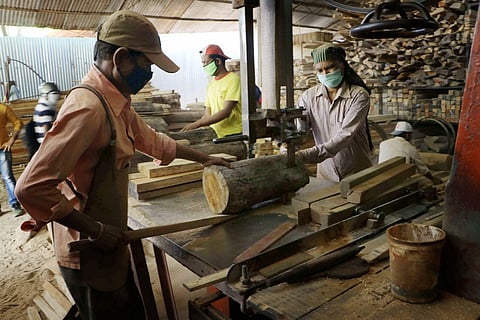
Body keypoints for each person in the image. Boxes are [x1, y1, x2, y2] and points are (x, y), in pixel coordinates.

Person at [15, 10, 231, 320]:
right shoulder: (89, 108)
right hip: (86, 248)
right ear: (120, 58)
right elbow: (31, 187)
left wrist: (204, 158)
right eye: (147, 64)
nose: (150, 74)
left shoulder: (114, 100)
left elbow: (153, 140)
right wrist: (96, 230)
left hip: (109, 239)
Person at [295, 43, 373, 182]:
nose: (325, 74)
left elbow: (345, 136)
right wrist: (287, 147)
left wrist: (306, 155)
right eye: (320, 70)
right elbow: (300, 131)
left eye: (331, 67)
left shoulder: (358, 95)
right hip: (326, 174)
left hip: (356, 171)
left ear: (342, 66)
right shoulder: (308, 97)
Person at [180, 44, 242, 138]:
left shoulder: (233, 80)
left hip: (233, 134)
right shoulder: (211, 84)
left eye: (206, 62)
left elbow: (226, 112)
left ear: (218, 61)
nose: (204, 66)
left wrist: (197, 124)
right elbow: (208, 113)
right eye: (202, 63)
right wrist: (194, 127)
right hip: (216, 134)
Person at [378, 121, 443, 185]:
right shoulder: (410, 147)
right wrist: (433, 179)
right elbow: (421, 168)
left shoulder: (383, 144)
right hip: (399, 180)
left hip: (381, 177)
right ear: (407, 135)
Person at [23, 82, 61, 159]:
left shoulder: (43, 106)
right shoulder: (46, 108)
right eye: (53, 94)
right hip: (44, 145)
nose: (56, 96)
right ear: (45, 95)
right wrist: (49, 146)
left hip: (40, 144)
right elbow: (46, 128)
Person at [0, 103, 25, 217]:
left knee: (8, 178)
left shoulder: (3, 108)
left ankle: (15, 204)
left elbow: (18, 123)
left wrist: (11, 141)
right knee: (8, 178)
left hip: (2, 149)